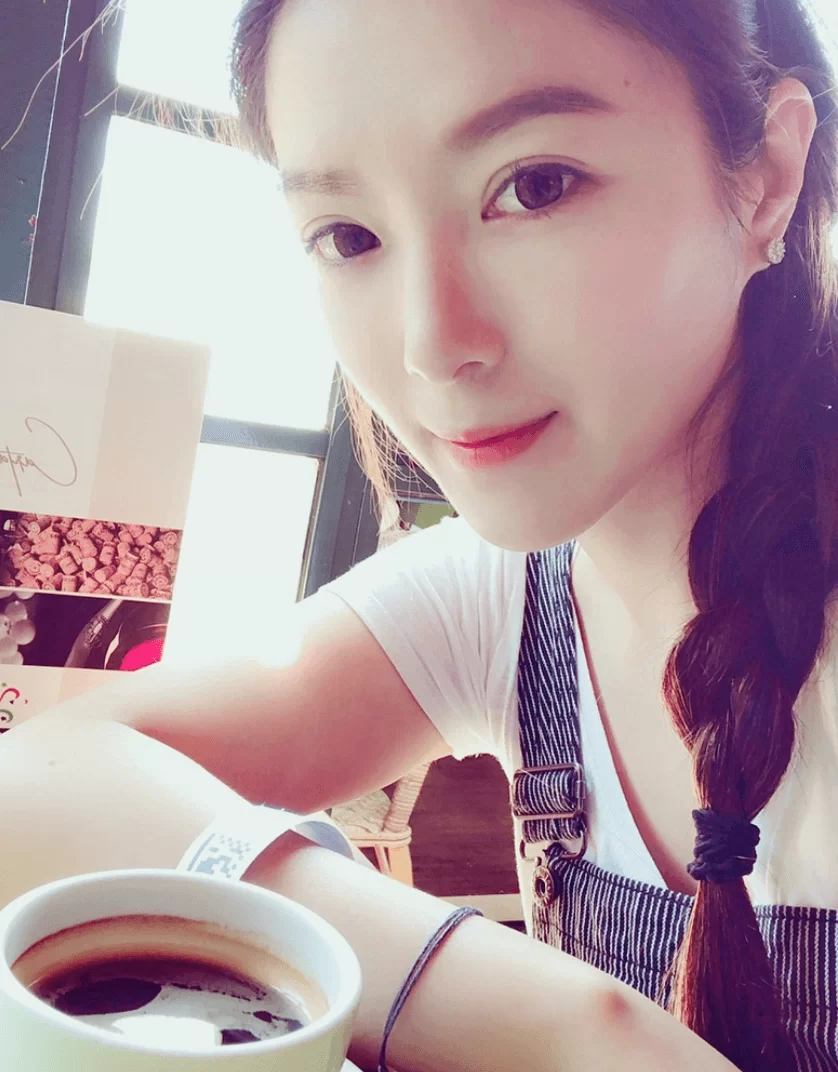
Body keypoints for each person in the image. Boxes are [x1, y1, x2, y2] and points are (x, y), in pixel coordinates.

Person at [2, 0, 837, 1068]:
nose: (430, 343)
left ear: (766, 176)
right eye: (348, 236)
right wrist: (567, 1027)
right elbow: (40, 777)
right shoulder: (502, 592)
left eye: (535, 185)